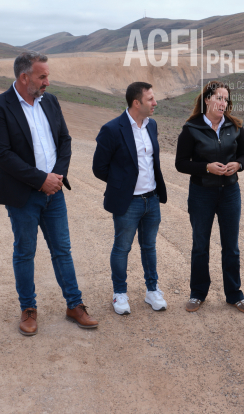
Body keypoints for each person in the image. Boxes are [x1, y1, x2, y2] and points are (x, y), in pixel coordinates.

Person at [0, 51, 98, 336]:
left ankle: (74, 305)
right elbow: (3, 155)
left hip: (54, 192)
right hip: (23, 196)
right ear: (25, 77)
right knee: (25, 252)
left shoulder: (51, 101)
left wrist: (56, 177)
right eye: (42, 76)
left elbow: (64, 140)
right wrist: (40, 180)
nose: (48, 81)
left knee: (62, 250)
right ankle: (28, 309)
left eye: (48, 76)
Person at [175, 81, 244, 314]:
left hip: (230, 193)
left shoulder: (235, 126)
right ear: (207, 99)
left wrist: (238, 165)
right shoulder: (191, 128)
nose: (223, 103)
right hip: (201, 193)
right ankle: (198, 293)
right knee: (200, 245)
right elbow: (181, 163)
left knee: (231, 246)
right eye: (219, 98)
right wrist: (206, 168)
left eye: (226, 99)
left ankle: (235, 295)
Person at [92, 82, 168, 315]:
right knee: (122, 248)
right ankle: (120, 293)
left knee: (149, 246)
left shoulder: (151, 125)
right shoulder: (112, 129)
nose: (155, 103)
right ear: (137, 103)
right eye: (150, 99)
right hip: (128, 203)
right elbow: (99, 168)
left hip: (152, 199)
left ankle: (152, 290)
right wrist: (122, 186)